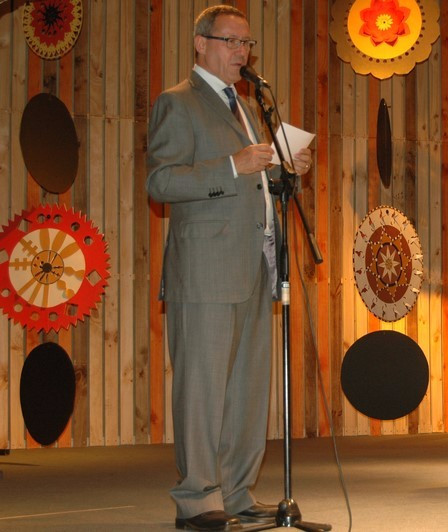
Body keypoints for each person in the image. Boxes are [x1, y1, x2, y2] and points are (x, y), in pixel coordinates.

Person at [146, 5, 313, 530]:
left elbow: (253, 185)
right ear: (201, 43)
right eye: (231, 41)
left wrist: (284, 171)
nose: (242, 52)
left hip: (255, 266)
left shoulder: (245, 106)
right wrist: (233, 165)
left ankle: (237, 492)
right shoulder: (178, 102)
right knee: (202, 391)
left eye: (247, 43)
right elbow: (162, 182)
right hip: (205, 272)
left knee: (246, 391)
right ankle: (198, 500)